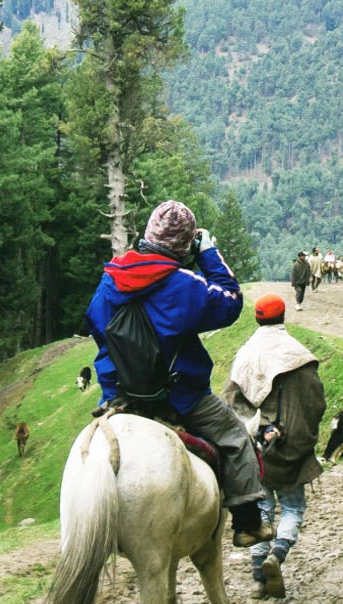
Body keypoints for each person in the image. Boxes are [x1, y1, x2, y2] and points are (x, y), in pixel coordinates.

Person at [86, 200, 272, 546]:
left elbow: (95, 322)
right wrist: (208, 255)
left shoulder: (111, 278)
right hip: (179, 397)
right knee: (234, 437)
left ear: (147, 234)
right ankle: (247, 521)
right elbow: (230, 301)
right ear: (186, 245)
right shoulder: (183, 284)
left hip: (120, 395)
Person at [222, 295, 328, 600]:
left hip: (258, 449)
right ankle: (277, 556)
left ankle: (258, 578)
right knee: (293, 507)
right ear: (283, 317)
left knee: (261, 509)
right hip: (293, 447)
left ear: (257, 318)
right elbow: (315, 404)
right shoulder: (300, 355)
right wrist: (302, 435)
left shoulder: (245, 355)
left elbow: (232, 405)